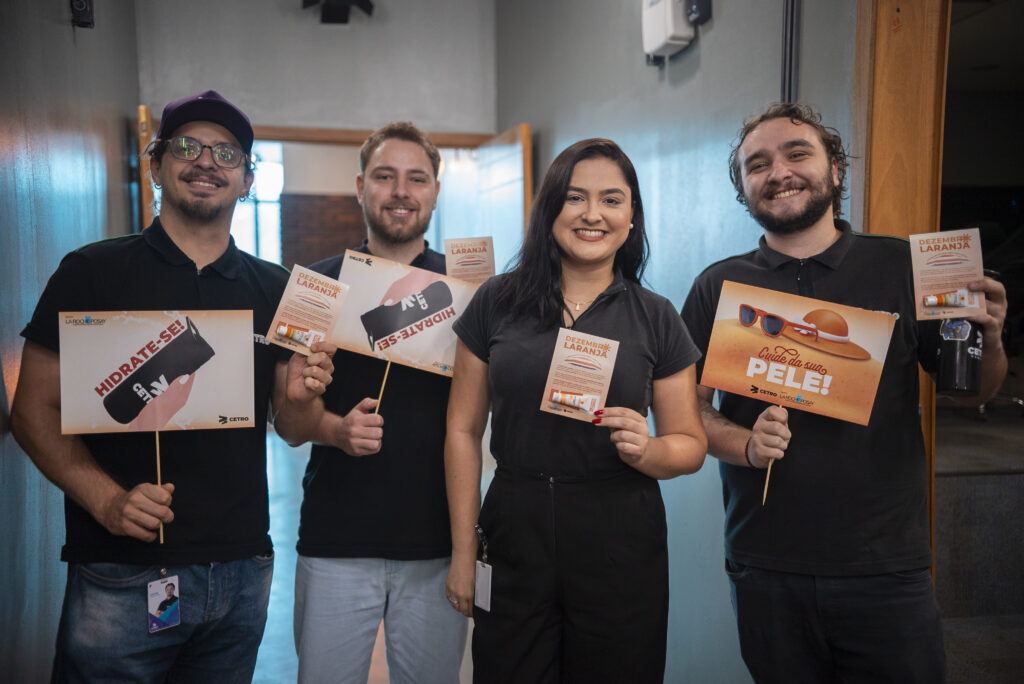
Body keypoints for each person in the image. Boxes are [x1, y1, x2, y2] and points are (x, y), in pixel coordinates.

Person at [10, 89, 335, 683]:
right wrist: (107, 500)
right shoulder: (92, 271)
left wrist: (303, 394)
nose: (206, 162)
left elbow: (292, 429)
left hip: (242, 571)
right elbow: (32, 410)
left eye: (226, 153)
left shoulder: (279, 288)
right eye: (187, 147)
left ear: (248, 178)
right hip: (121, 575)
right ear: (156, 164)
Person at [680, 102, 1008, 683]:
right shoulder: (718, 285)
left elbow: (968, 392)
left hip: (887, 569)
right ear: (744, 189)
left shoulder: (906, 267)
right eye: (758, 164)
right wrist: (745, 445)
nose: (778, 171)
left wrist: (992, 341)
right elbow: (688, 412)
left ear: (836, 170)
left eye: (797, 153)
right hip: (765, 565)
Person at [445, 138, 708, 683]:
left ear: (631, 217)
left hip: (618, 532)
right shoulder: (497, 300)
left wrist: (651, 448)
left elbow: (690, 444)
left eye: (612, 200)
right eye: (575, 198)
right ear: (549, 213)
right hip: (514, 526)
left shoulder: (656, 316)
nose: (593, 214)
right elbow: (462, 430)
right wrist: (463, 551)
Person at [290, 122, 467, 684]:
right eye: (385, 177)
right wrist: (333, 428)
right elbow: (287, 423)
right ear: (361, 186)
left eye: (417, 179)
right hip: (336, 542)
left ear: (435, 191)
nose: (401, 192)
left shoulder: (472, 293)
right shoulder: (315, 286)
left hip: (439, 543)